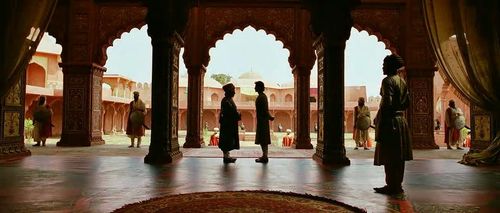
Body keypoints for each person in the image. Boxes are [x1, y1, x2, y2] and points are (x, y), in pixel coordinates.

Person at [373, 54, 412, 195]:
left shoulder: (387, 81)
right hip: (401, 121)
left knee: (389, 154)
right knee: (399, 155)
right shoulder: (402, 81)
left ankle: (391, 185)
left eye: (385, 64)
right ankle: (397, 185)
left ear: (390, 66)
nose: (383, 67)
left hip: (390, 122)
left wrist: (380, 119)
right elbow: (407, 102)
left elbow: (387, 104)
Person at [218, 83, 240, 164]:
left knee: (228, 140)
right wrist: (237, 114)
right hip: (227, 124)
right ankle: (226, 157)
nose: (234, 92)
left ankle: (227, 156)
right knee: (226, 140)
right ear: (229, 91)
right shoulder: (226, 100)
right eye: (233, 90)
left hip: (229, 124)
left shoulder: (228, 100)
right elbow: (230, 112)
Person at [254, 81, 275, 163]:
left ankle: (265, 156)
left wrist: (270, 117)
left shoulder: (262, 97)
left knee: (263, 139)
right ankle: (264, 155)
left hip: (263, 121)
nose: (254, 88)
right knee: (263, 139)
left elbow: (265, 110)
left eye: (256, 86)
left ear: (259, 87)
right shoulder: (261, 96)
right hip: (262, 120)